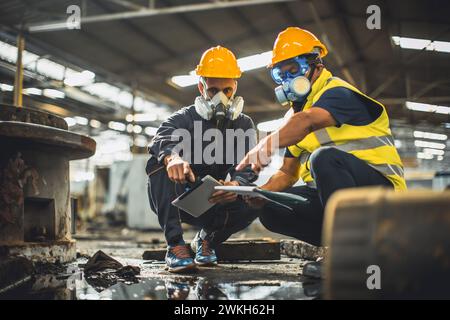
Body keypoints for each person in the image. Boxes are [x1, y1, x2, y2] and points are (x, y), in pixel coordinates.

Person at [237, 27, 407, 248]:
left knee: (323, 158)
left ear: (317, 66)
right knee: (270, 209)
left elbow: (309, 121)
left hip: (381, 193)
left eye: (295, 69)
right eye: (281, 74)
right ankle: (339, 245)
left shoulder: (337, 92)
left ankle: (349, 252)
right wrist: (262, 193)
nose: (289, 79)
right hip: (332, 198)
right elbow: (287, 173)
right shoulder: (294, 117)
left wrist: (266, 144)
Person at [146, 46, 259, 273]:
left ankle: (207, 240)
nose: (221, 98)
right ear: (201, 87)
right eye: (213, 90)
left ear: (236, 86)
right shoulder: (185, 118)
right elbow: (162, 137)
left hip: (215, 200)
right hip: (180, 199)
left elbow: (249, 165)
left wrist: (236, 186)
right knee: (157, 164)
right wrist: (172, 158)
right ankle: (175, 245)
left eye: (227, 90)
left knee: (256, 197)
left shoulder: (244, 124)